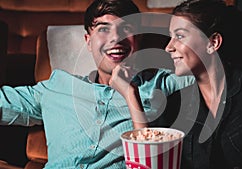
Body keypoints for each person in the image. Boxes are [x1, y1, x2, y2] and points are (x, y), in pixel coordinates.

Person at [0, 0, 194, 168]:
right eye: (103, 29)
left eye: (126, 29)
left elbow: (214, 72)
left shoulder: (162, 84)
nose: (116, 38)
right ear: (88, 40)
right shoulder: (57, 87)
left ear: (139, 38)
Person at [162, 0, 242, 169]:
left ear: (213, 43)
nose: (168, 47)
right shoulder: (175, 103)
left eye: (180, 36)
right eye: (170, 37)